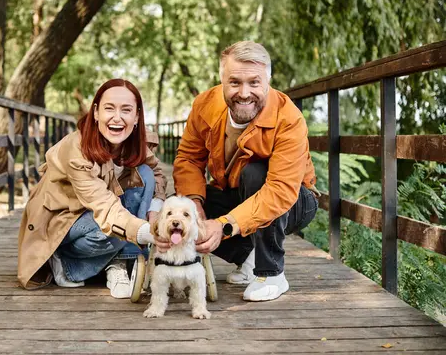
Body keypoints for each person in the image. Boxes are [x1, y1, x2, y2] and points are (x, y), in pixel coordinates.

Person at [162, 41, 319, 302]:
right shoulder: (204, 105)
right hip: (236, 192)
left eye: (254, 83)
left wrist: (223, 226)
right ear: (222, 80)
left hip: (295, 201)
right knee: (184, 204)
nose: (244, 93)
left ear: (268, 81)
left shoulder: (288, 118)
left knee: (255, 173)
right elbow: (189, 159)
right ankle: (247, 258)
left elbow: (280, 190)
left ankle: (271, 273)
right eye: (235, 82)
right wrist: (196, 205)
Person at [18, 78, 167, 299]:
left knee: (144, 173)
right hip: (65, 219)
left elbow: (157, 174)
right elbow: (103, 206)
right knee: (109, 231)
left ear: (136, 116)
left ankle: (122, 262)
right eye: (109, 108)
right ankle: (66, 263)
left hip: (105, 210)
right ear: (96, 112)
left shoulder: (133, 143)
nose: (117, 117)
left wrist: (155, 211)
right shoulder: (76, 149)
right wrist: (148, 233)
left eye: (126, 110)